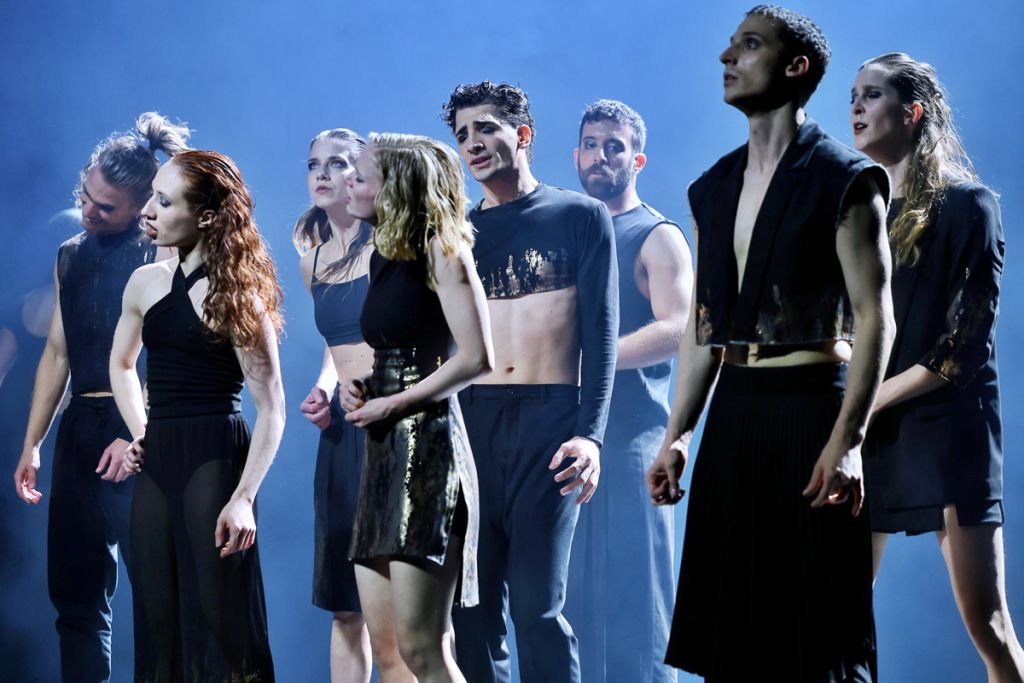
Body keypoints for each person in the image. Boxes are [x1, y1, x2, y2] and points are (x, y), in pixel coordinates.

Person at [646, 6, 894, 681]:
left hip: (812, 408)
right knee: (730, 637)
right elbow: (704, 325)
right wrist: (678, 434)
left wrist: (849, 442)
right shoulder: (712, 187)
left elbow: (876, 318)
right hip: (734, 410)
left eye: (749, 45)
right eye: (730, 45)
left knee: (820, 638)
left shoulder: (844, 178)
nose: (727, 57)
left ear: (795, 66)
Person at [852, 52, 1024, 680]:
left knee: (989, 625)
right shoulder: (861, 212)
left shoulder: (968, 205)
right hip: (872, 433)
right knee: (838, 617)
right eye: (852, 96)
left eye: (872, 95)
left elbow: (961, 349)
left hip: (950, 431)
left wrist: (864, 400)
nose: (856, 108)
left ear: (913, 111)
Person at [442, 81, 619, 683]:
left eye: (485, 128)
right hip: (472, 424)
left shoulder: (580, 215)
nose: (472, 143)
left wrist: (590, 436)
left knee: (537, 609)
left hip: (550, 425)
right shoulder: (456, 232)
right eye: (462, 134)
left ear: (522, 134)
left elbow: (600, 337)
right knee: (472, 611)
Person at [11, 113, 189, 682]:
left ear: (141, 206)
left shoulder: (161, 255)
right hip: (80, 428)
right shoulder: (70, 254)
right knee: (76, 595)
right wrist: (33, 444)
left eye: (105, 207)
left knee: (157, 593)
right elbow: (57, 354)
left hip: (139, 426)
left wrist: (134, 433)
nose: (89, 211)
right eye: (84, 197)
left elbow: (166, 352)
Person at [110, 150, 283, 681]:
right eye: (151, 197)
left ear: (206, 216)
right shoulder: (144, 282)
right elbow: (121, 364)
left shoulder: (239, 297)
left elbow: (272, 408)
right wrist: (141, 432)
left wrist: (244, 498)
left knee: (222, 615)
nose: (148, 211)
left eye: (164, 202)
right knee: (156, 617)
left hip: (215, 454)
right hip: (159, 455)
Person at [340, 132, 493, 683]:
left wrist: (395, 402)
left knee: (423, 647)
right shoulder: (382, 254)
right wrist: (366, 384)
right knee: (388, 651)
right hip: (383, 448)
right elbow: (400, 346)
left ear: (395, 189)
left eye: (360, 176)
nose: (347, 183)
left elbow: (476, 358)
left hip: (427, 451)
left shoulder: (444, 250)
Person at [565, 98, 691, 683]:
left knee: (639, 605)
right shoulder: (569, 231)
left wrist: (592, 361)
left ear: (637, 159)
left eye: (614, 147)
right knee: (570, 603)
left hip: (633, 439)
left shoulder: (656, 236)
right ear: (576, 155)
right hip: (570, 441)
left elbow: (679, 328)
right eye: (591, 145)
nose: (601, 156)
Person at [294, 128, 374, 683]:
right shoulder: (313, 262)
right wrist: (324, 386)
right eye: (313, 164)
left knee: (398, 610)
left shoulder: (390, 246)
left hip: (393, 419)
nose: (322, 173)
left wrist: (376, 383)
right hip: (342, 430)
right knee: (346, 606)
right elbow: (338, 341)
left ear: (361, 175)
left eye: (337, 163)